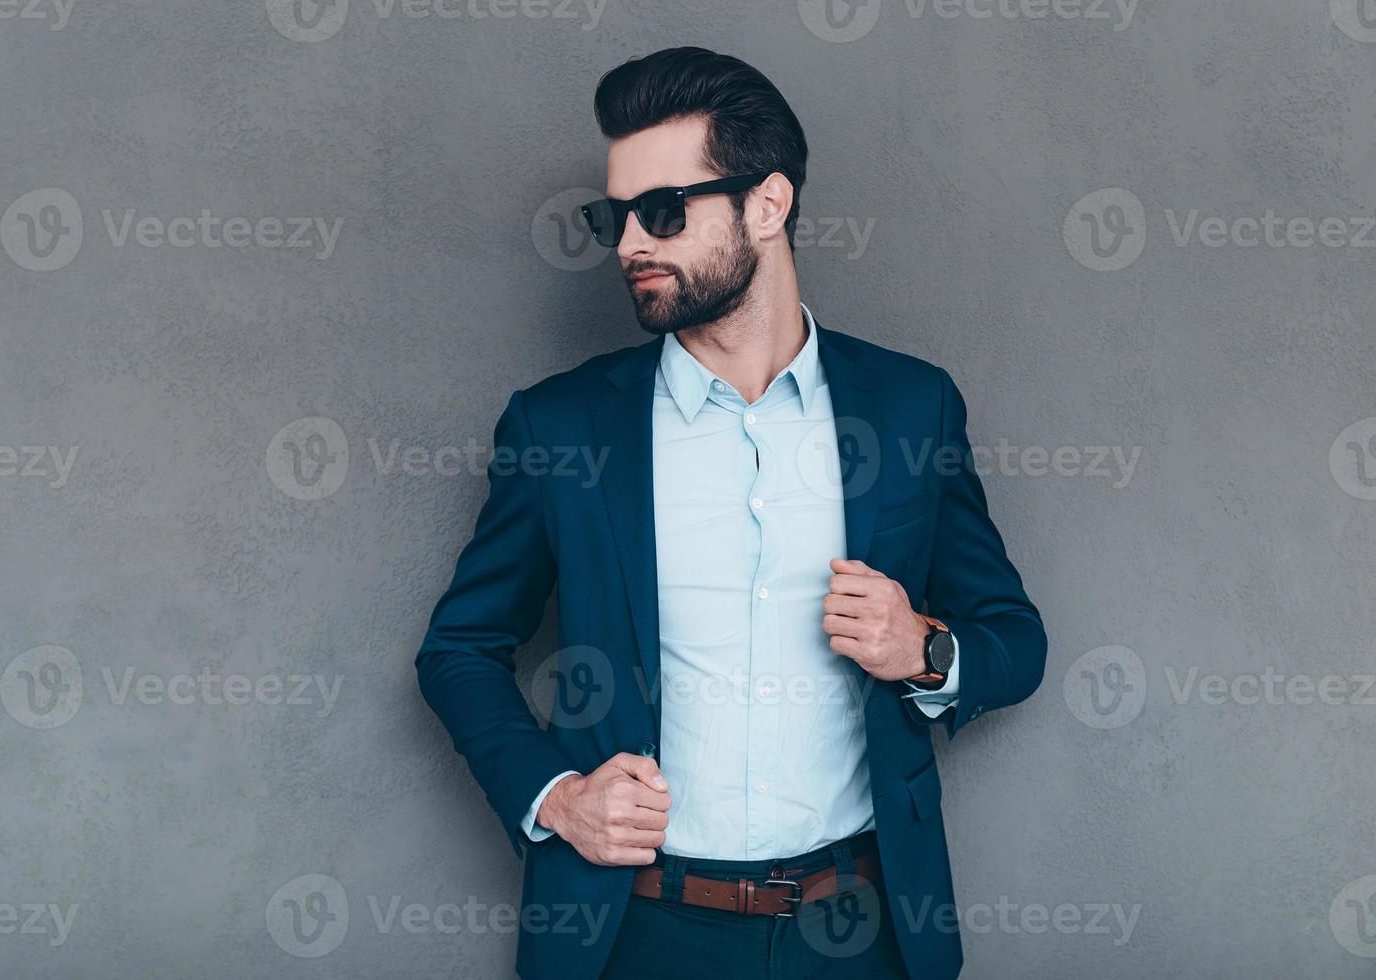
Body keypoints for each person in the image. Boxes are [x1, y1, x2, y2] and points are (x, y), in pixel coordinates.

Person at [416, 46, 1047, 980]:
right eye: (614, 215)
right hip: (633, 931)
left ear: (767, 204)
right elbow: (458, 648)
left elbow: (1014, 639)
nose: (629, 242)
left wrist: (923, 650)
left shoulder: (911, 408)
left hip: (861, 930)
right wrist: (554, 797)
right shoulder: (561, 427)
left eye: (662, 211)